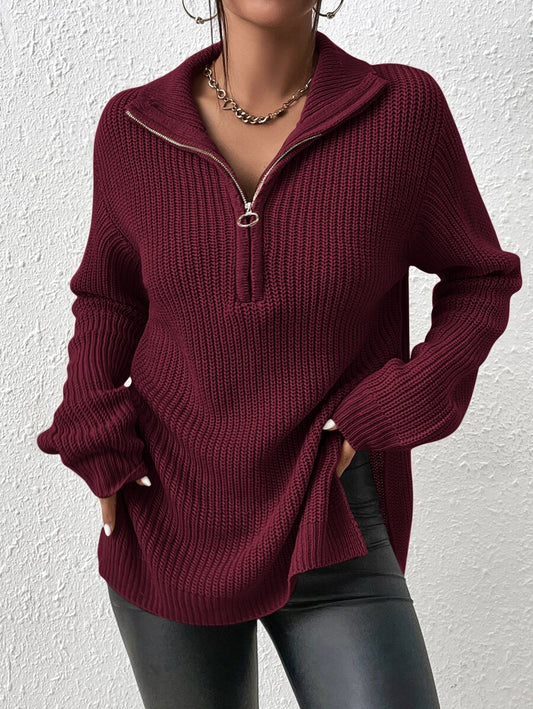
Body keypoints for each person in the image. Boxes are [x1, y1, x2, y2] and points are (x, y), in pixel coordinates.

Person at [35, 1, 522, 707]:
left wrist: (398, 400)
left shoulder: (401, 111)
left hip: (328, 505)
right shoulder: (133, 125)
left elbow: (479, 278)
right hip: (167, 509)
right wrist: (92, 430)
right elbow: (109, 298)